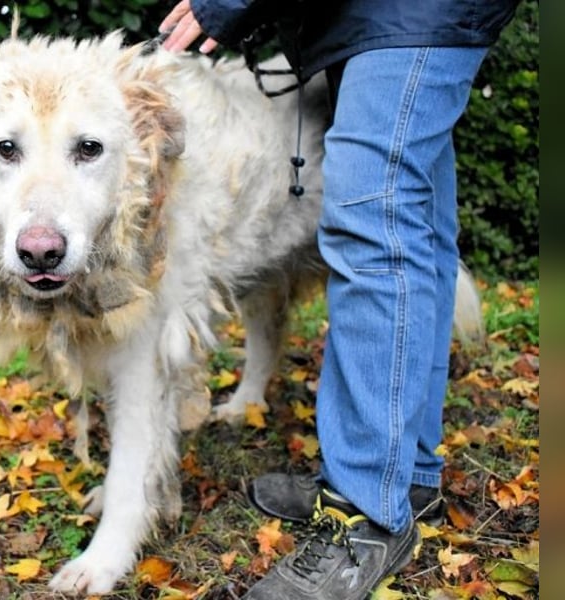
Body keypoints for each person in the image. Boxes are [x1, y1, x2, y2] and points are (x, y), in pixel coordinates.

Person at [158, 1, 519, 599]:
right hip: (378, 17)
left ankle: (366, 512)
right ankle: (407, 477)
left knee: (368, 226)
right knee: (419, 232)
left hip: (411, 10)